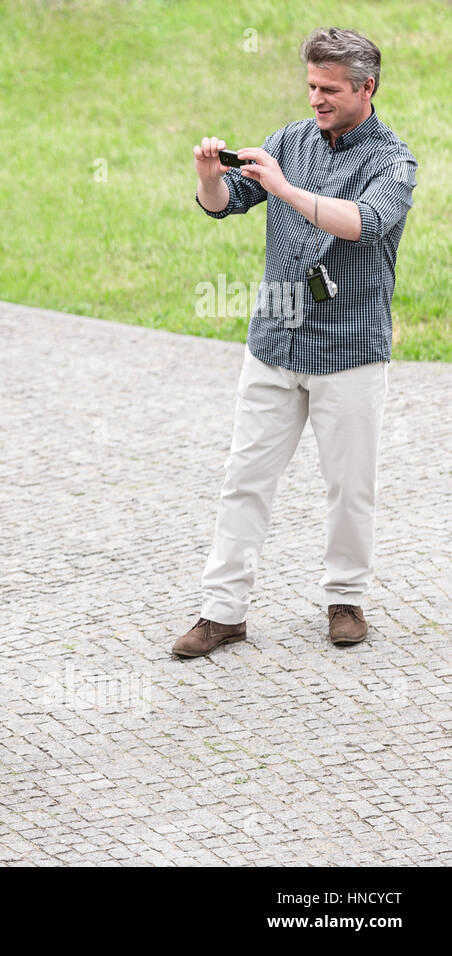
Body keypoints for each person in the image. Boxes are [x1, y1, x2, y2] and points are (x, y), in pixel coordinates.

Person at [177, 27, 418, 658]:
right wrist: (209, 178)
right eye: (311, 85)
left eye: (330, 89)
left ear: (367, 88)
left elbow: (362, 222)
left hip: (350, 351)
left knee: (349, 484)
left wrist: (286, 189)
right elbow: (225, 202)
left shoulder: (394, 162)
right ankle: (222, 611)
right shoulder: (290, 140)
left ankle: (346, 598)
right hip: (274, 344)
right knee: (244, 478)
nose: (316, 98)